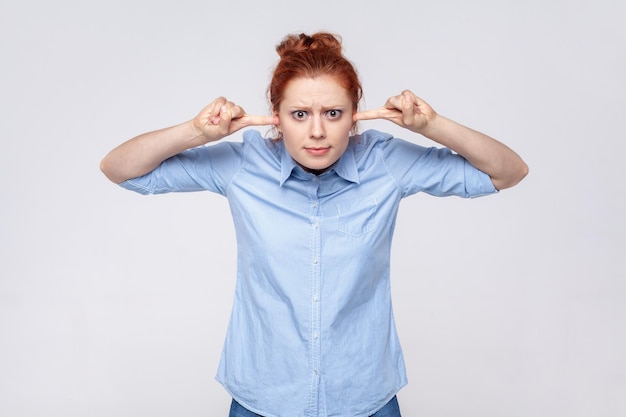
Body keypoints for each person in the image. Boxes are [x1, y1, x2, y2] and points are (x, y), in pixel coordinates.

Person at [100, 32, 528, 417]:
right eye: (300, 114)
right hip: (262, 398)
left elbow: (508, 172)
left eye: (334, 113)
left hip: (364, 398)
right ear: (275, 116)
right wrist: (195, 132)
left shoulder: (386, 162)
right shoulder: (244, 165)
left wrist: (432, 125)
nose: (318, 131)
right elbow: (120, 169)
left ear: (356, 115)